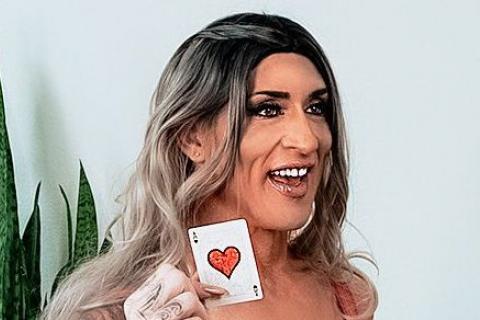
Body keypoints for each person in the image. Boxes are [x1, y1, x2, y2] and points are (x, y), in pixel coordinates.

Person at [41, 12, 378, 320]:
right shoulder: (118, 310)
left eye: (316, 108)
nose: (307, 141)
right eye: (267, 109)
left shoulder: (346, 295)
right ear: (192, 137)